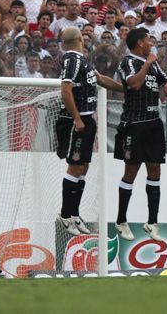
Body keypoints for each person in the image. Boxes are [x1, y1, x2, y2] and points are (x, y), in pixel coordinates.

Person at [55, 26, 122, 236]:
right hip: (78, 120)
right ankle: (65, 214)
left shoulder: (82, 60)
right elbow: (66, 91)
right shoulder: (72, 60)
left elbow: (100, 79)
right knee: (75, 168)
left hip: (87, 118)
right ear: (80, 40)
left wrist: (127, 88)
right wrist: (77, 118)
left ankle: (74, 213)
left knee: (82, 168)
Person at [113, 28, 167, 242]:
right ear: (139, 43)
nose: (151, 42)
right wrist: (147, 63)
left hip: (154, 124)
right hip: (134, 124)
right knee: (131, 171)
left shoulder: (153, 63)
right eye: (148, 39)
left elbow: (166, 85)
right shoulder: (128, 62)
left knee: (155, 170)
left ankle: (152, 221)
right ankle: (121, 219)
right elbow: (134, 84)